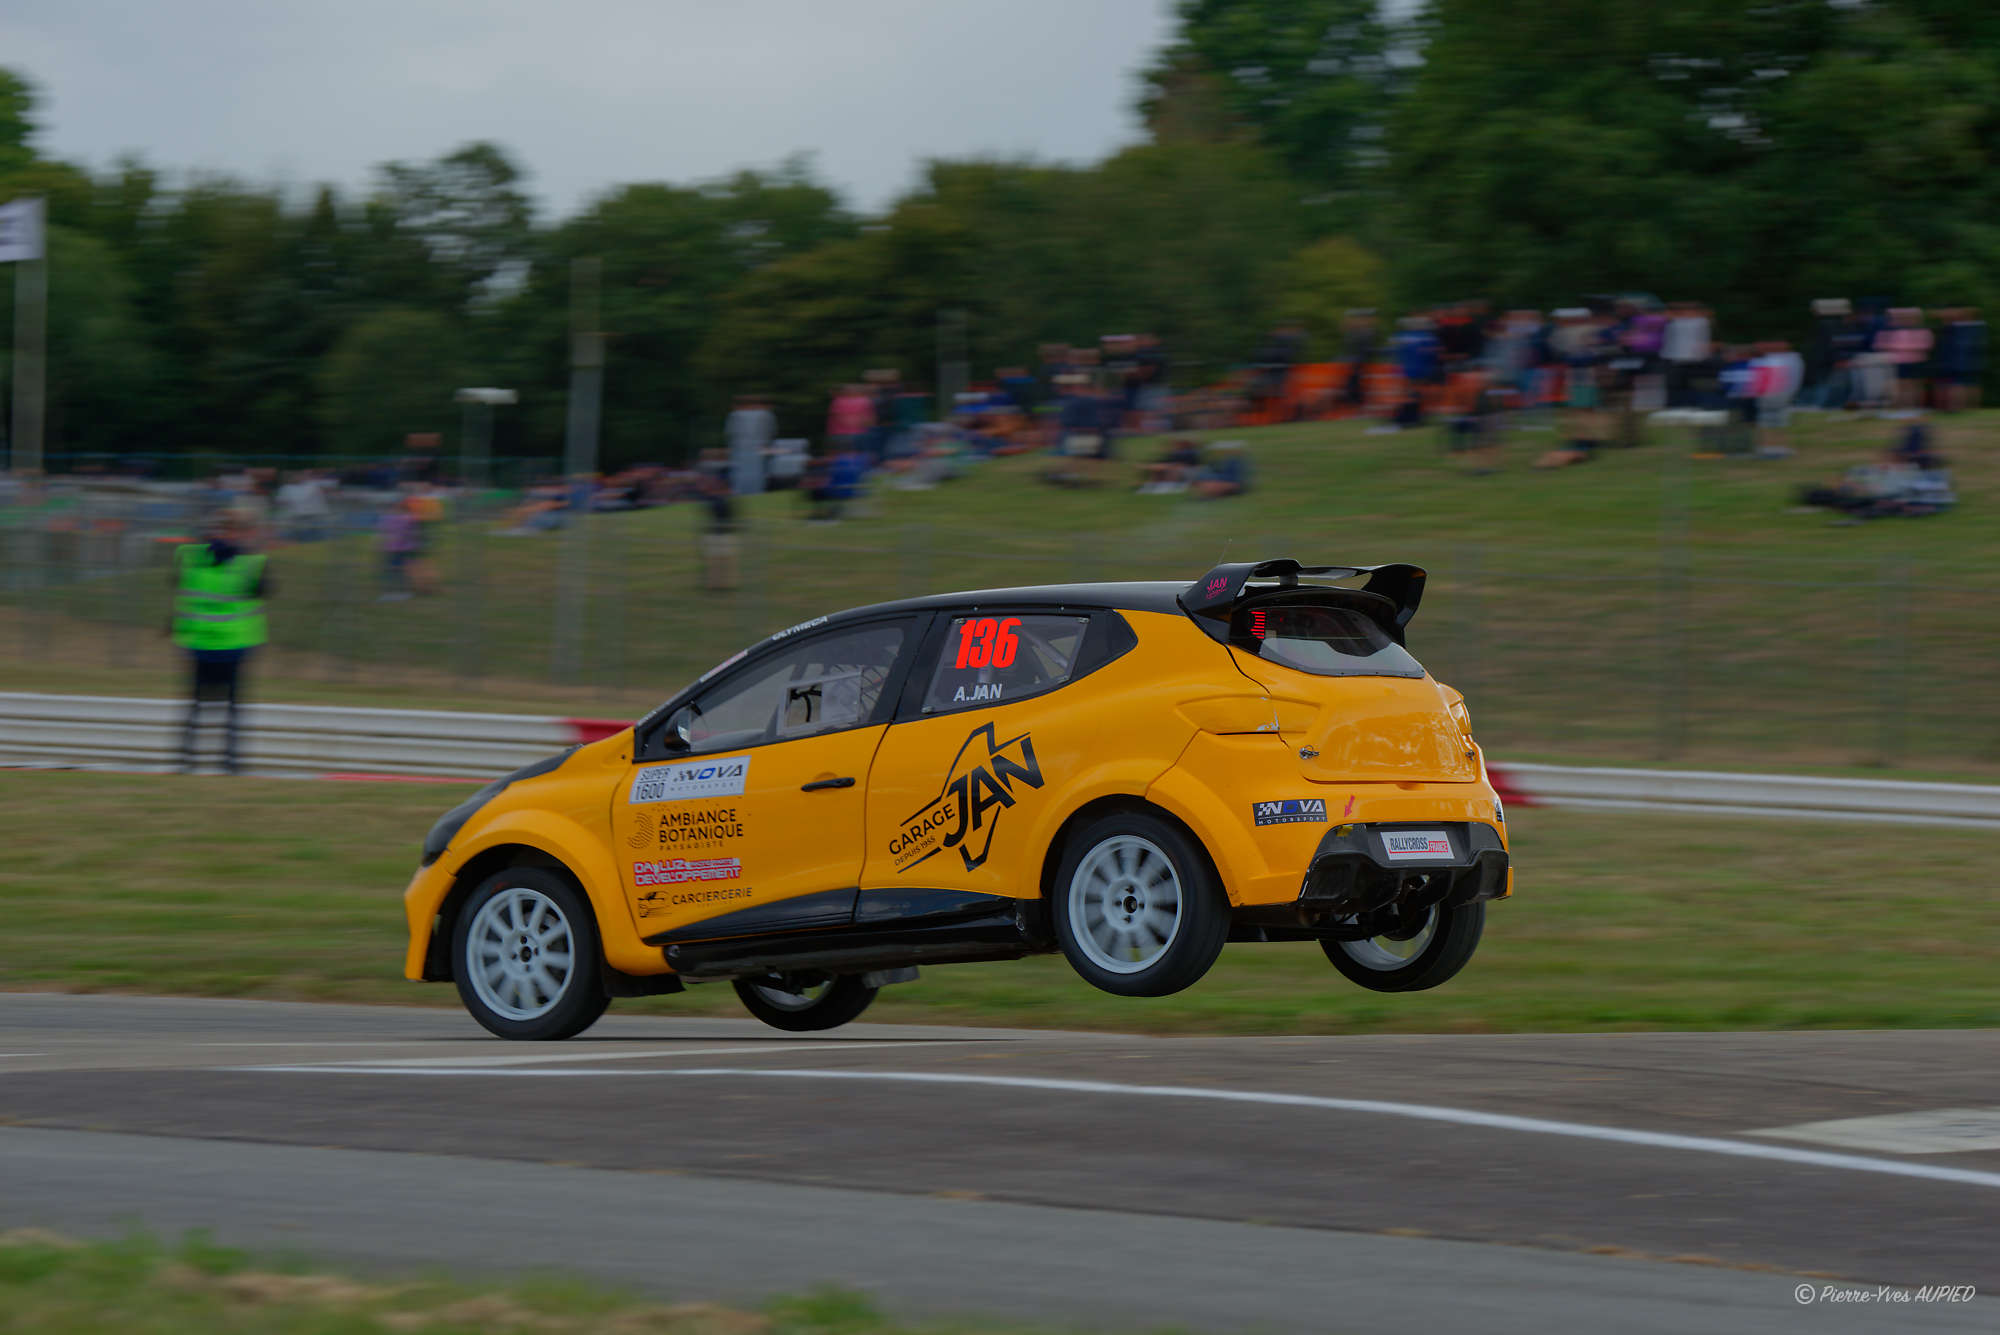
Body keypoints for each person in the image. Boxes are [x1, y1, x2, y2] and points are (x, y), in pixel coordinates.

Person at [170, 508, 270, 774]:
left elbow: (178, 584)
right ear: (239, 532)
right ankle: (231, 761)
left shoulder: (191, 558)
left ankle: (186, 759)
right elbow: (264, 591)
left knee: (195, 705)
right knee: (233, 707)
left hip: (199, 642)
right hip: (233, 644)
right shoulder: (251, 564)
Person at [724, 395, 776, 496]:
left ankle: (740, 492)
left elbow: (730, 433)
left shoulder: (735, 415)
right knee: (757, 473)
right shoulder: (765, 414)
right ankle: (756, 492)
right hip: (757, 448)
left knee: (741, 474)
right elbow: (770, 432)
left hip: (741, 449)